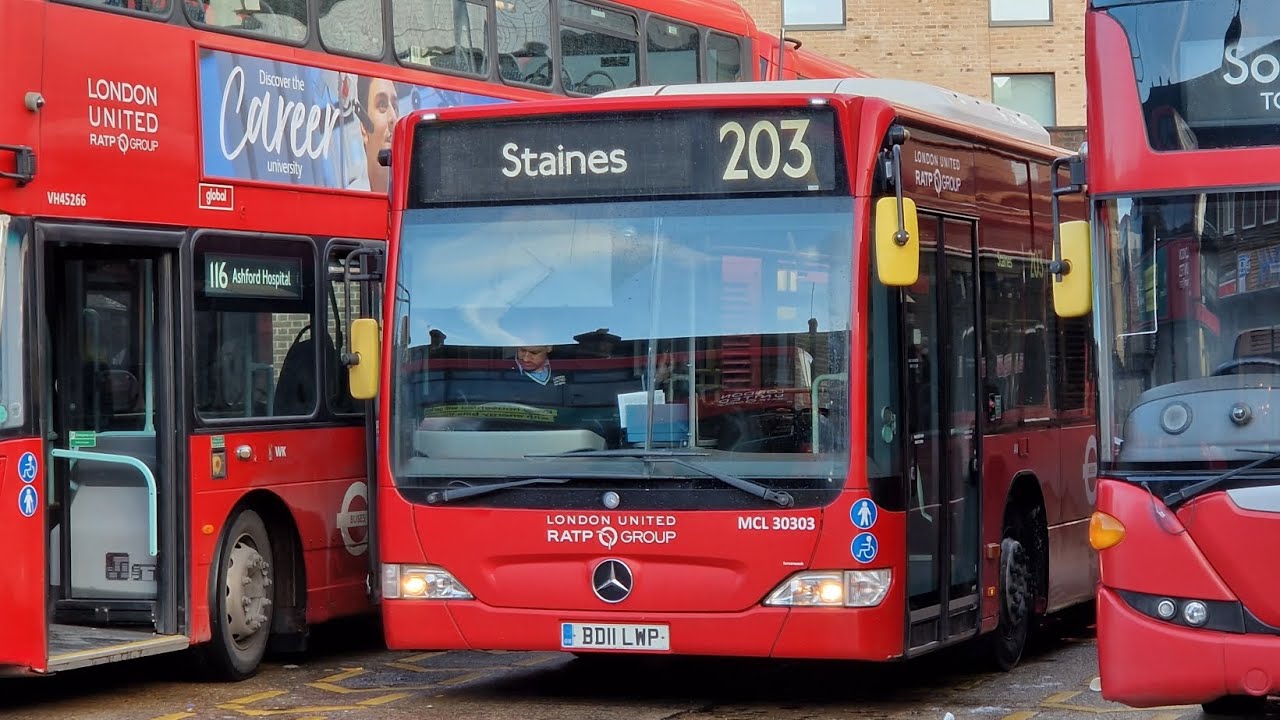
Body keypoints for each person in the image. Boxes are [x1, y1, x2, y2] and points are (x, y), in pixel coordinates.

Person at [356, 76, 399, 194]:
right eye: (382, 105)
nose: (394, 118)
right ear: (364, 128)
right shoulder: (346, 202)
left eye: (395, 107)